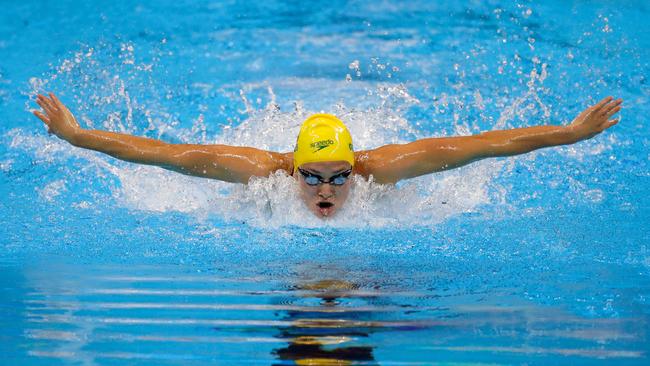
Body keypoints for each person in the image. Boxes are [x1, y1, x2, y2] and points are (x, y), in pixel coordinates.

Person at [33, 93, 622, 218]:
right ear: (291, 166)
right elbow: (165, 156)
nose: (325, 190)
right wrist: (77, 135)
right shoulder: (259, 172)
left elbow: (484, 147)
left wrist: (569, 134)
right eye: (312, 176)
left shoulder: (383, 168)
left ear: (354, 166)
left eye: (339, 177)